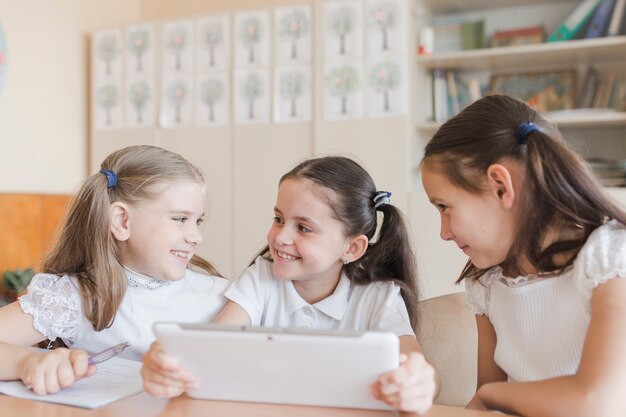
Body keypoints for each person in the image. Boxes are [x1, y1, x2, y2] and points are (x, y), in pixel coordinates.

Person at [142, 156, 438, 413]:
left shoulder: (379, 296)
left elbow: (420, 370)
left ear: (352, 248)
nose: (281, 237)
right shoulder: (262, 278)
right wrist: (169, 363)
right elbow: (212, 347)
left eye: (304, 227)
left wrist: (419, 383)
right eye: (279, 218)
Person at [420, 94, 626, 417]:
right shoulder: (487, 282)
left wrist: (492, 396)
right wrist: (490, 397)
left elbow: (596, 404)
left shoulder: (610, 258)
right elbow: (487, 408)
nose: (443, 232)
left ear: (501, 186)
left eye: (444, 207)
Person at [0, 145, 229, 395]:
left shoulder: (226, 298)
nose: (196, 237)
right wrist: (26, 362)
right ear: (122, 221)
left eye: (198, 221)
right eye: (180, 219)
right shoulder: (74, 297)